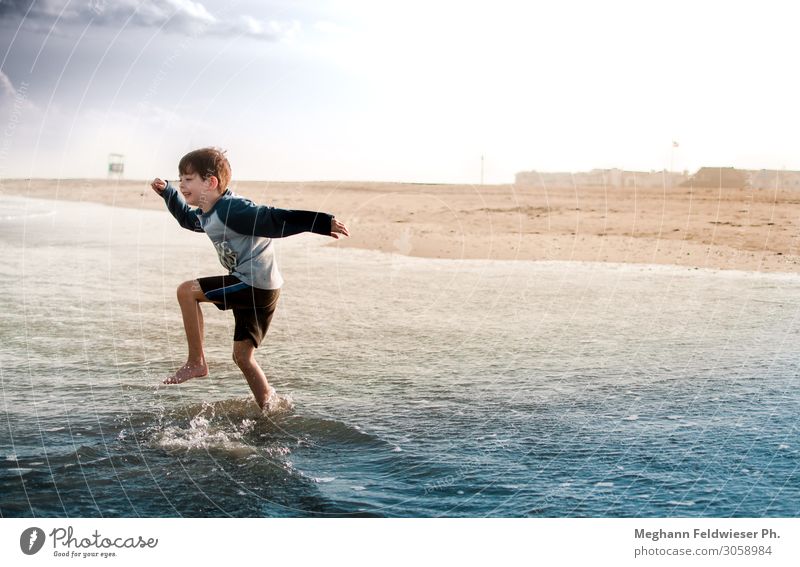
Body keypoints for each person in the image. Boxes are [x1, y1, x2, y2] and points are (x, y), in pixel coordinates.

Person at [150, 147, 349, 410]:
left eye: (187, 179)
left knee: (187, 291)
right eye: (180, 179)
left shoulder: (232, 209)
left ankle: (196, 362)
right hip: (265, 288)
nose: (181, 184)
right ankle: (270, 408)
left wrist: (319, 223)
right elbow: (188, 220)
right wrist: (168, 193)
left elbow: (272, 218)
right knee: (242, 357)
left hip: (253, 285)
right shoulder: (207, 212)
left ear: (210, 183)